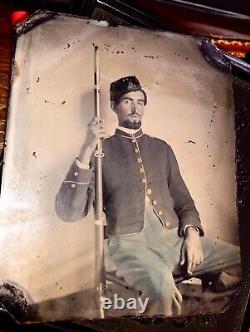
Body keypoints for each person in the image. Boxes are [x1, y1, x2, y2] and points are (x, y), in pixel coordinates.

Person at [56, 76, 241, 316]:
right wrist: (87, 146)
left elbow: (184, 201)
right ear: (114, 106)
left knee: (240, 259)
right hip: (129, 248)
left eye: (140, 102)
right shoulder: (100, 150)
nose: (135, 108)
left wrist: (192, 233)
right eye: (127, 101)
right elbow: (69, 212)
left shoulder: (161, 148)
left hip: (174, 239)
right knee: (162, 294)